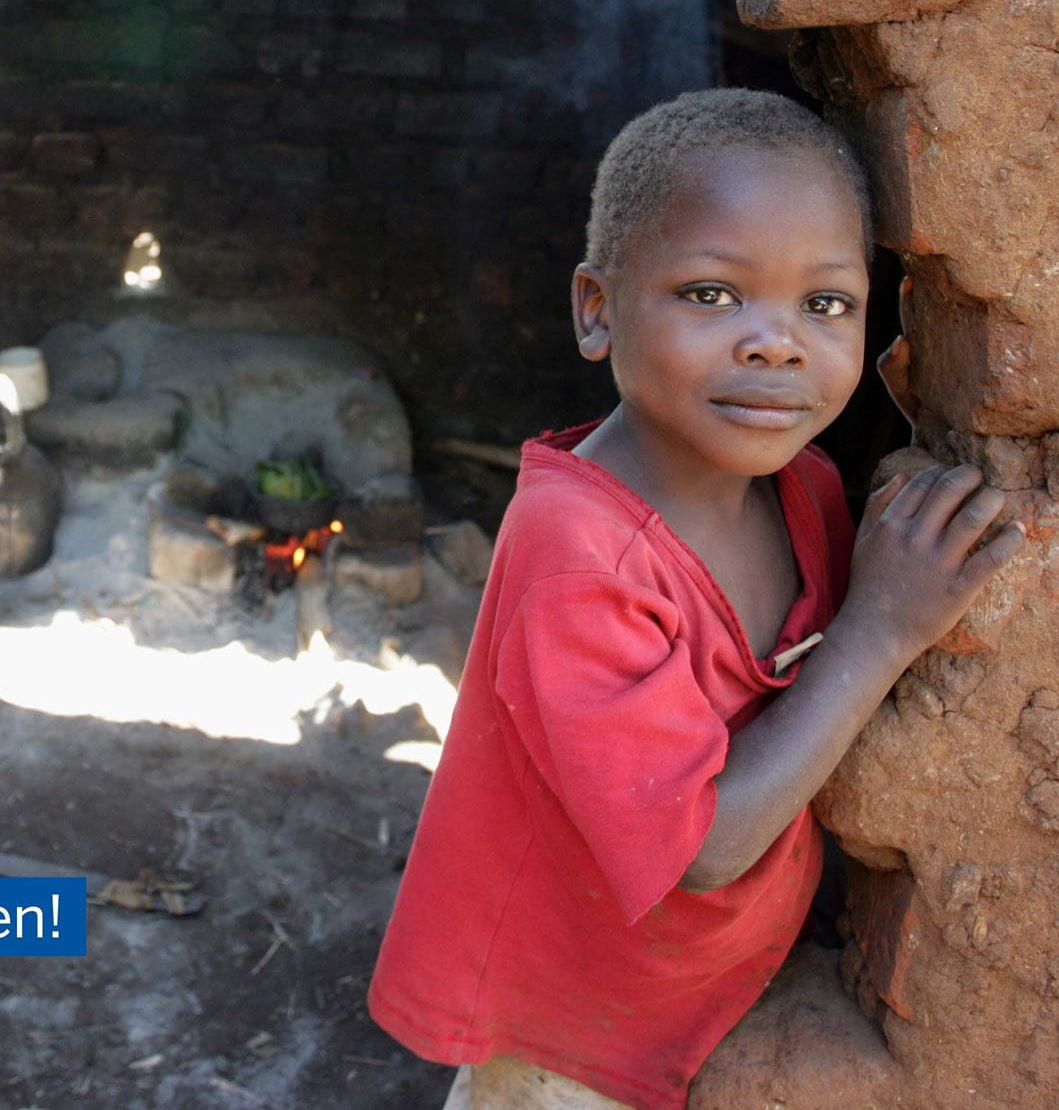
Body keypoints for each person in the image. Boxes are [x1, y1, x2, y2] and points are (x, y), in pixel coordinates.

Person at [369, 89, 1022, 1110]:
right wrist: (881, 630)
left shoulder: (797, 487)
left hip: (702, 987)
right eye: (713, 294)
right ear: (597, 309)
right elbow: (704, 848)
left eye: (826, 303)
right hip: (568, 1036)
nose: (777, 343)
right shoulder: (579, 558)